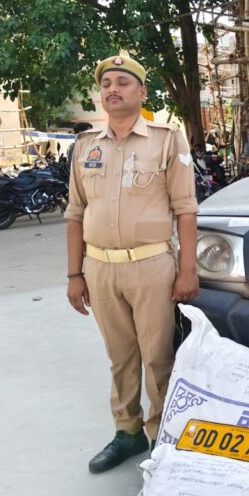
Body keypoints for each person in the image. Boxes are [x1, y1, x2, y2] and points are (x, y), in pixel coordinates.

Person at [64, 52, 200, 474]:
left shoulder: (166, 140)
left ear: (142, 92)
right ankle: (127, 432)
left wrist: (188, 270)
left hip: (152, 265)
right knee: (120, 357)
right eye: (106, 84)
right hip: (100, 268)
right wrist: (74, 274)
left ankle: (163, 435)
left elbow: (185, 209)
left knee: (159, 356)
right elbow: (75, 213)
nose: (113, 90)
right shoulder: (85, 146)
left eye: (122, 82)